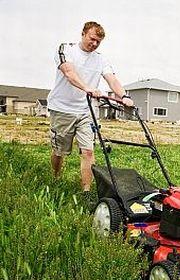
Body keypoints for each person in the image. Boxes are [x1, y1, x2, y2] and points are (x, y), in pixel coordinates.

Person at [47, 21, 134, 199]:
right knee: (59, 151)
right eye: (92, 39)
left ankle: (86, 192)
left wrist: (123, 96)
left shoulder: (101, 59)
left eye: (98, 42)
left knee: (88, 151)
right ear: (83, 34)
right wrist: (88, 88)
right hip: (62, 109)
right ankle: (55, 177)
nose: (94, 44)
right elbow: (69, 73)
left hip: (87, 111)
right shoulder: (66, 49)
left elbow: (112, 80)